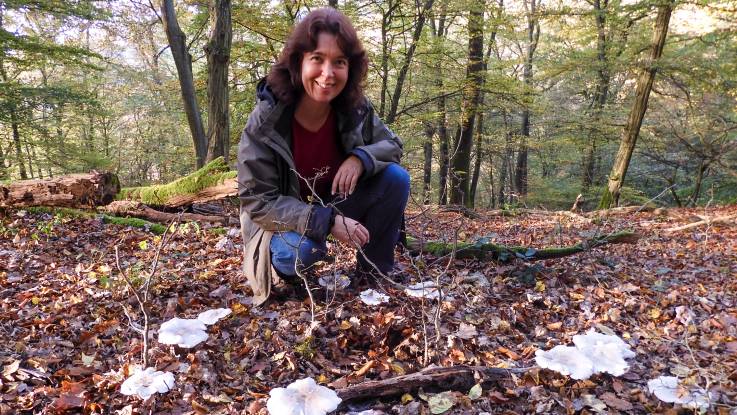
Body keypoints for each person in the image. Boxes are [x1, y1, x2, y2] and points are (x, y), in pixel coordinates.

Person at [237, 8, 410, 305]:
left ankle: (374, 273)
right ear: (298, 62)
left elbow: (392, 145)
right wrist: (326, 222)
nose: (328, 74)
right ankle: (285, 278)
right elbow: (258, 202)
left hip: (332, 202)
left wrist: (360, 158)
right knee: (302, 252)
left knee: (395, 178)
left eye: (339, 62)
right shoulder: (266, 121)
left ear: (350, 68)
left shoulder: (355, 108)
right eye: (317, 59)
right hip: (281, 223)